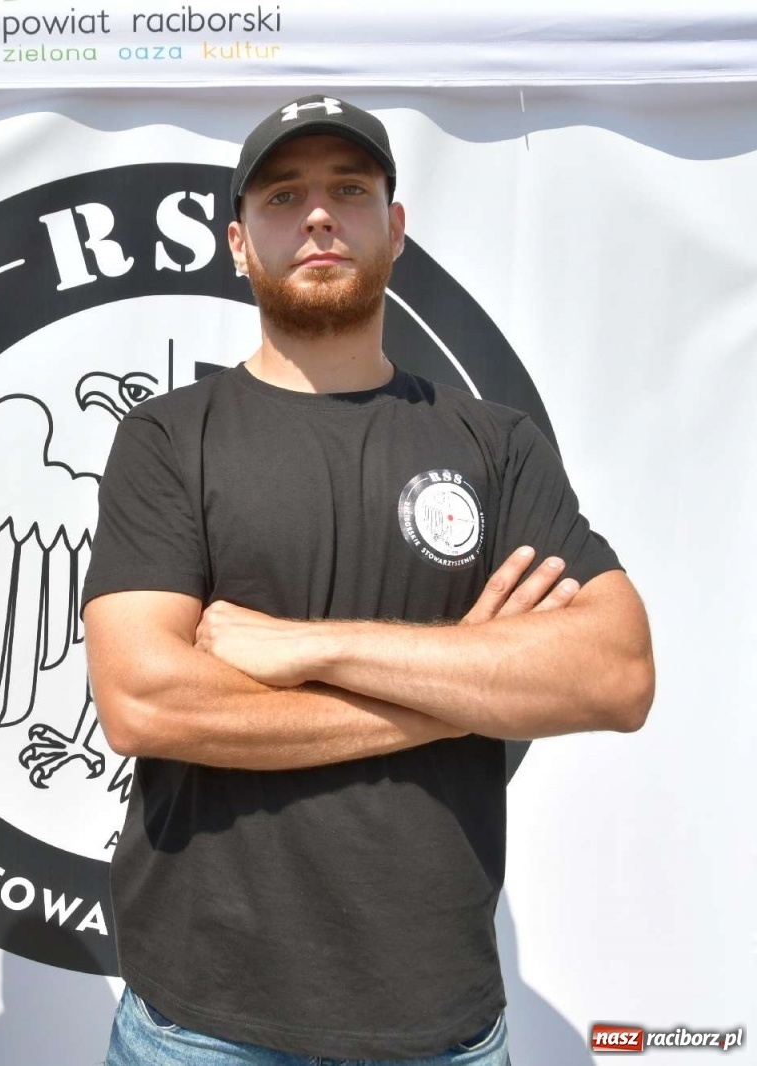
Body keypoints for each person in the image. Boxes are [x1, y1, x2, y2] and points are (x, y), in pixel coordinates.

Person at [83, 94, 654, 1064]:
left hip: (436, 1018)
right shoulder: (168, 438)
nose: (317, 215)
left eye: (348, 190)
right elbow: (146, 700)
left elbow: (613, 676)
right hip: (202, 1020)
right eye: (282, 195)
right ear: (236, 240)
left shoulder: (490, 440)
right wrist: (469, 685)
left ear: (393, 227)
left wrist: (319, 644)